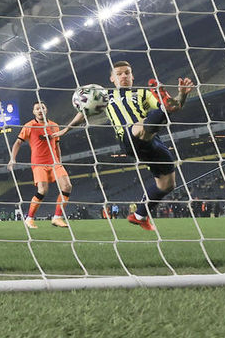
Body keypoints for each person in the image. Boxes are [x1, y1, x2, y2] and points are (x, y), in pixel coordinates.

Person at [55, 61, 193, 231]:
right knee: (141, 127)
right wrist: (66, 129)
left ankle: (139, 216)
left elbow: (176, 105)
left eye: (127, 72)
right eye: (119, 74)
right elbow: (84, 112)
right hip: (128, 137)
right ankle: (164, 109)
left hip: (152, 140)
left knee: (167, 184)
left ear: (132, 76)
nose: (123, 76)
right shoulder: (105, 95)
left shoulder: (143, 93)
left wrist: (182, 95)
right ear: (112, 78)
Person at [7, 101, 72, 229]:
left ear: (46, 110)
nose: (40, 110)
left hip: (54, 162)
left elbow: (57, 145)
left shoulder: (54, 125)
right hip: (38, 163)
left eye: (42, 107)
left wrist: (59, 161)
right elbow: (18, 143)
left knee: (67, 186)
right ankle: (29, 219)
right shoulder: (29, 126)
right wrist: (12, 159)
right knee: (42, 190)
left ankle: (57, 217)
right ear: (34, 112)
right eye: (37, 108)